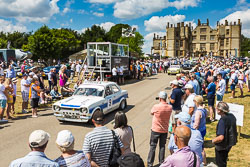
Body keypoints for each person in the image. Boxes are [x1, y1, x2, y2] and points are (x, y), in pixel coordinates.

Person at [147, 91, 172, 167]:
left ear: (160, 98)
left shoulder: (156, 106)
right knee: (162, 146)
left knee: (152, 146)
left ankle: (150, 163)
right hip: (164, 129)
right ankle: (161, 162)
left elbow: (151, 113)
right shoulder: (170, 107)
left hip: (155, 129)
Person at [212, 102, 237, 167]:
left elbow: (221, 137)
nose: (216, 108)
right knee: (224, 160)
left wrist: (212, 141)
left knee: (220, 163)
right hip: (229, 143)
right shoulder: (232, 116)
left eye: (216, 108)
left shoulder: (222, 120)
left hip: (222, 146)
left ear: (220, 110)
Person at [192, 95, 207, 165]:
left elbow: (196, 124)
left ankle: (202, 161)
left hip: (198, 131)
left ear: (196, 102)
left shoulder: (198, 112)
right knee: (202, 146)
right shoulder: (204, 109)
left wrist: (192, 131)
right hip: (203, 129)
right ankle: (204, 161)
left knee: (200, 147)